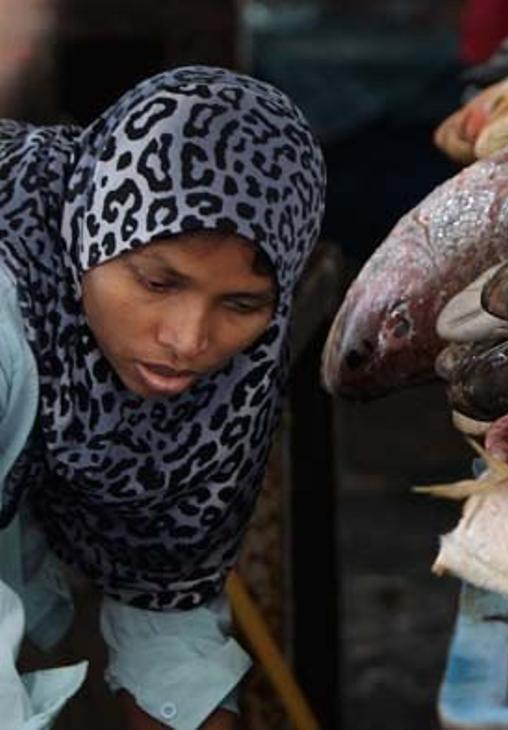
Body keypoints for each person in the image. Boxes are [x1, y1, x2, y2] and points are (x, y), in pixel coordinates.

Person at [0, 66, 325, 728]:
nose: (187, 340)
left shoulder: (232, 370)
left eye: (240, 304)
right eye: (155, 283)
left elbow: (165, 597)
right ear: (89, 229)